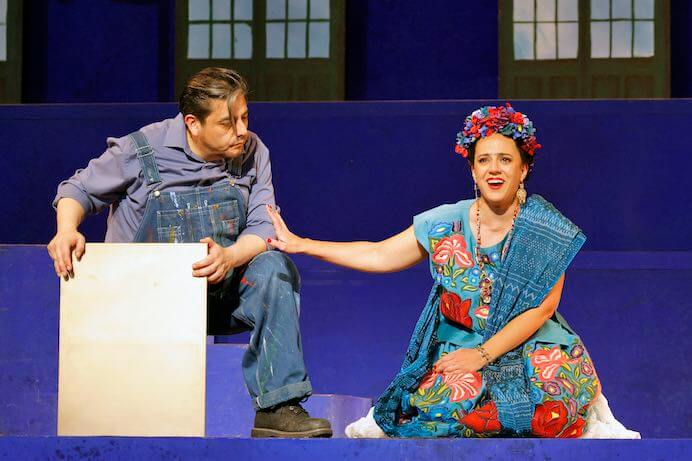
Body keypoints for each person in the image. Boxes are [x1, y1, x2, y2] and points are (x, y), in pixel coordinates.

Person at [265, 104, 639, 438]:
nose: (494, 169)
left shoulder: (545, 228)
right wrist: (302, 244)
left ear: (524, 169)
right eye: (484, 160)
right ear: (473, 170)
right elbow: (379, 254)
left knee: (553, 411)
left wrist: (484, 356)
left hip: (535, 349)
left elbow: (541, 309)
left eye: (505, 160)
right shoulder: (445, 222)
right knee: (442, 415)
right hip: (462, 350)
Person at [46, 67, 332, 438]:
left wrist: (230, 257)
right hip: (144, 300)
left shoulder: (253, 152)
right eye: (228, 123)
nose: (242, 131)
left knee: (274, 268)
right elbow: (77, 189)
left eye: (245, 118)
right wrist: (66, 230)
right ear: (193, 124)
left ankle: (277, 407)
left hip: (218, 291)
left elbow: (264, 227)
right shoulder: (142, 149)